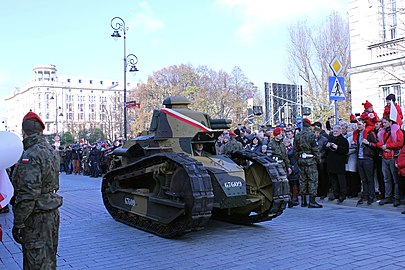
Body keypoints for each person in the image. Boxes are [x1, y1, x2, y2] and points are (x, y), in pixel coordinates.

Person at [11, 112, 63, 269]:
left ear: (24, 132)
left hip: (36, 218)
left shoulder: (30, 154)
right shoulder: (50, 151)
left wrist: (18, 222)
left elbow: (28, 195)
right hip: (51, 214)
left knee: (36, 262)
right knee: (49, 259)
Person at [294, 118, 322, 208]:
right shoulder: (311, 135)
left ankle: (303, 201)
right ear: (309, 125)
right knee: (312, 180)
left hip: (301, 160)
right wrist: (319, 159)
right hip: (310, 160)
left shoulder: (298, 135)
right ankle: (312, 201)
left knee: (302, 180)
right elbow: (315, 149)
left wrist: (298, 157)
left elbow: (295, 149)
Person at [377, 117, 404, 207]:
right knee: (386, 179)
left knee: (395, 179)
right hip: (385, 157)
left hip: (393, 157)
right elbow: (378, 142)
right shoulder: (382, 132)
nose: (383, 124)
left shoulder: (397, 131)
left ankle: (397, 198)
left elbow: (400, 143)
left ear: (390, 122)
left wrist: (387, 146)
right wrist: (383, 147)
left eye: (385, 122)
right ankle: (388, 196)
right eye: (383, 123)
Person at [353, 118, 378, 205]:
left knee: (369, 178)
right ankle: (365, 196)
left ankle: (371, 196)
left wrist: (368, 143)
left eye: (360, 124)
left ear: (364, 124)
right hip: (360, 158)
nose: (358, 126)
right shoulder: (358, 134)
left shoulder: (370, 133)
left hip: (367, 158)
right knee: (363, 179)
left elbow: (376, 145)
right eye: (357, 124)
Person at [326, 125, 349, 204]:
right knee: (333, 179)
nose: (335, 133)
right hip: (331, 162)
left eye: (336, 131)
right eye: (334, 131)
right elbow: (325, 150)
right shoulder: (330, 139)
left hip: (339, 162)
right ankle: (335, 193)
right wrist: (327, 146)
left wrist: (337, 147)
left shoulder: (343, 140)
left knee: (341, 179)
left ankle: (343, 194)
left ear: (340, 131)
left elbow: (346, 151)